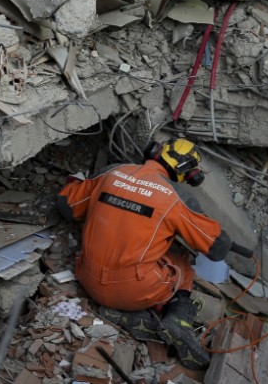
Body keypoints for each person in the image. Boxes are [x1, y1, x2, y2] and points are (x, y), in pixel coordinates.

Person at [55, 138, 233, 369]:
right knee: (183, 266)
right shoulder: (177, 196)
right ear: (189, 174)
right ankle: (178, 319)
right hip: (133, 291)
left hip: (87, 278)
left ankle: (132, 315)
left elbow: (67, 204)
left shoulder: (113, 171)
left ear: (155, 151)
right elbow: (217, 248)